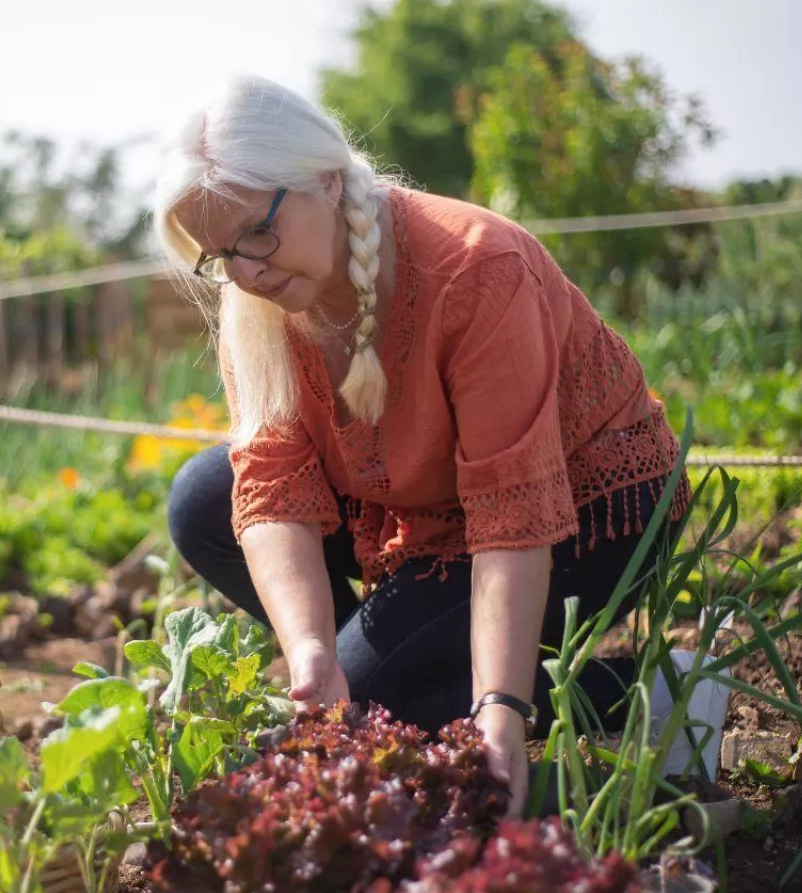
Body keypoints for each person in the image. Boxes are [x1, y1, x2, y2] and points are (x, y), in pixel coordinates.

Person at [153, 75, 730, 816]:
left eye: (257, 235)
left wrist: (500, 711)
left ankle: (654, 692)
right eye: (219, 255)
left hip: (588, 509)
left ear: (327, 181)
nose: (246, 272)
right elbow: (272, 481)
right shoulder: (256, 302)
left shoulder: (474, 268)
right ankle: (382, 673)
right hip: (428, 509)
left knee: (379, 701)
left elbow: (511, 520)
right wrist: (311, 652)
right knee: (205, 499)